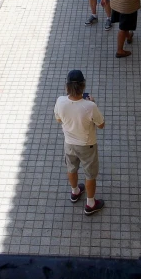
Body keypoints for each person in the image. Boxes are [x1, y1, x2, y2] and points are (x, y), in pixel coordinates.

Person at [54, 70, 106, 215]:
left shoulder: (60, 101)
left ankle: (75, 191)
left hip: (69, 143)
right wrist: (92, 103)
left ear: (67, 86)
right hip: (87, 145)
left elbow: (58, 119)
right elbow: (101, 125)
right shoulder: (89, 106)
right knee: (90, 175)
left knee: (71, 168)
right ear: (83, 86)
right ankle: (90, 204)